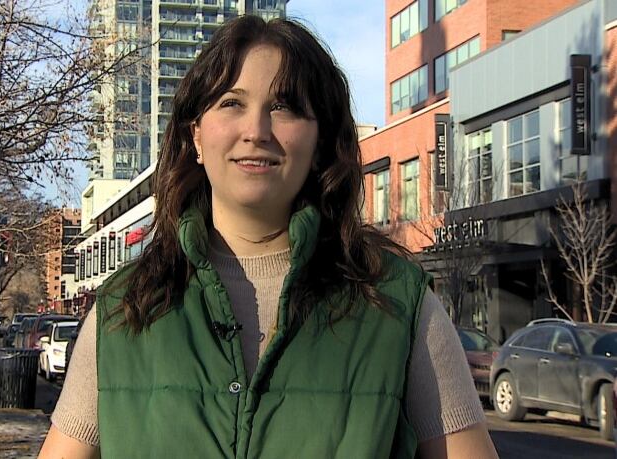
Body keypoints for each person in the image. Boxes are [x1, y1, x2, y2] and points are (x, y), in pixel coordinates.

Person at [39, 15, 498, 459]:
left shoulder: (398, 305)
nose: (256, 131)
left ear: (320, 142)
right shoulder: (124, 311)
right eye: (231, 103)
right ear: (195, 135)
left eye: (284, 107)